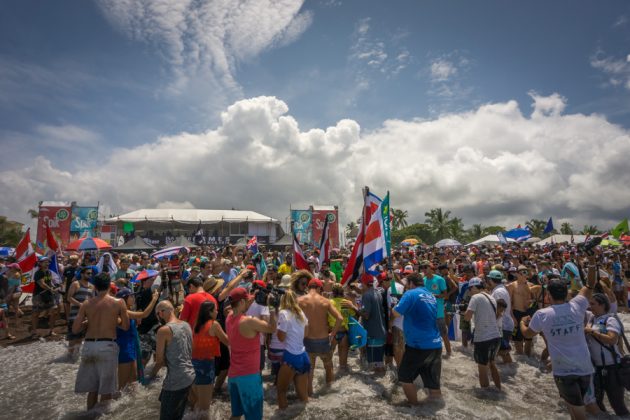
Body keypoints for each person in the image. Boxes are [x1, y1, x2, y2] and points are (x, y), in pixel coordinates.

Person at [520, 258, 598, 420]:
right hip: (585, 368)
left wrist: (522, 322)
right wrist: (591, 262)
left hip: (564, 371)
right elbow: (590, 284)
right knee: (575, 406)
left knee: (578, 412)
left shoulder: (542, 315)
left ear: (548, 295)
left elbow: (527, 334)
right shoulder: (577, 305)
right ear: (566, 292)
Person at [73, 273, 129, 411]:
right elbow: (125, 326)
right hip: (107, 346)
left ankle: (89, 415)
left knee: (92, 389)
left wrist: (88, 322)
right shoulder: (118, 302)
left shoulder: (86, 303)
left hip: (89, 345)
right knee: (106, 389)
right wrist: (115, 320)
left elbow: (75, 329)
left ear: (95, 286)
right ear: (110, 285)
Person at [226, 287, 277, 420]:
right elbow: (272, 328)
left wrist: (252, 297)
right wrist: (271, 307)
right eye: (247, 301)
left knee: (236, 415)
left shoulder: (229, 317)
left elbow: (234, 308)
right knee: (254, 417)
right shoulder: (248, 321)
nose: (250, 303)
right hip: (249, 376)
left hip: (233, 375)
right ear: (242, 302)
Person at [393, 273, 443, 404]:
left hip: (418, 345)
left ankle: (414, 408)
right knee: (433, 385)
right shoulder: (431, 295)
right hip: (435, 344)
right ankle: (433, 408)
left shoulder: (410, 293)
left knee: (404, 377)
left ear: (411, 283)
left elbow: (396, 312)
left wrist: (396, 302)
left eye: (407, 284)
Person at [149, 300, 195, 420]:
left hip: (176, 380)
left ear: (161, 313)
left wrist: (150, 376)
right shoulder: (187, 325)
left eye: (157, 315)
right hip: (189, 375)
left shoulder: (163, 330)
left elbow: (159, 361)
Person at [584, 293, 629, 416]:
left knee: (617, 405)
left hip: (612, 368)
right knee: (597, 404)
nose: (590, 306)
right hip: (597, 369)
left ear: (602, 305)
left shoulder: (611, 319)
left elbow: (612, 339)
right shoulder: (592, 318)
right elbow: (586, 330)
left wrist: (592, 332)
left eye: (593, 304)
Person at [298, 278, 342, 395]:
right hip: (323, 340)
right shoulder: (325, 301)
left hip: (307, 340)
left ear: (308, 287)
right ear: (318, 288)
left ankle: (309, 395)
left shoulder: (300, 300)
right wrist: (332, 334)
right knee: (328, 367)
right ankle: (329, 393)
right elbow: (340, 318)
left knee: (309, 370)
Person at [190, 300, 229, 418]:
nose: (217, 311)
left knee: (196, 405)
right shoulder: (214, 324)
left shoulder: (196, 323)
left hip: (193, 365)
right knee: (204, 408)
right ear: (210, 312)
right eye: (215, 309)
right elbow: (227, 341)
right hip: (206, 365)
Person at [116, 287, 159, 390]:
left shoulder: (129, 311)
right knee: (122, 386)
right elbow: (144, 314)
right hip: (124, 348)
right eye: (131, 296)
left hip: (131, 347)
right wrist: (154, 300)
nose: (133, 297)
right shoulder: (123, 312)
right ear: (124, 299)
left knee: (133, 381)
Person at [464, 277, 502, 389]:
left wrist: (463, 312)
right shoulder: (492, 297)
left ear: (475, 287)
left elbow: (467, 317)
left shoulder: (475, 297)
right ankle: (498, 389)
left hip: (483, 338)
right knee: (492, 364)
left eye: (470, 288)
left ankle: (486, 397)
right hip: (496, 336)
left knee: (482, 368)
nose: (469, 291)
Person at [276, 289, 310, 409]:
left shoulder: (283, 313)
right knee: (303, 397)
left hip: (290, 356)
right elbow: (306, 334)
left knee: (281, 392)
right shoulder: (300, 313)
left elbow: (281, 338)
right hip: (303, 356)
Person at [421, 261, 450, 356]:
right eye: (422, 267)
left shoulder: (439, 279)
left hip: (438, 312)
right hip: (426, 312)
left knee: (444, 335)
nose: (424, 269)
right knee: (428, 335)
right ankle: (431, 353)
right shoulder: (423, 280)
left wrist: (435, 296)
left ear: (431, 268)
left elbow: (446, 296)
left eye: (426, 267)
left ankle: (449, 353)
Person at [360, 274, 387, 372]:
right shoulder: (377, 292)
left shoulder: (366, 295)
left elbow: (366, 315)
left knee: (375, 367)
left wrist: (353, 307)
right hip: (381, 332)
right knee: (380, 363)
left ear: (364, 283)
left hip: (373, 334)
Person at [66, 267, 95, 356]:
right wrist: (80, 305)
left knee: (80, 339)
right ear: (82, 274)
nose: (90, 275)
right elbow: (69, 298)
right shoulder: (76, 284)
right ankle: (69, 356)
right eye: (88, 273)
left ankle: (76, 358)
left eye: (91, 273)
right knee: (72, 339)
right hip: (75, 315)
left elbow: (92, 300)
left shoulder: (92, 286)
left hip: (85, 316)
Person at [328, 283, 358, 370]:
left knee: (328, 362)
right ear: (342, 292)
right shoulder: (347, 303)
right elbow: (355, 315)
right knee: (343, 366)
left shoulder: (329, 303)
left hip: (332, 334)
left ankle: (330, 381)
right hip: (344, 334)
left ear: (333, 292)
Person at [508, 265, 537, 356]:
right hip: (517, 312)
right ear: (517, 274)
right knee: (517, 339)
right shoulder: (512, 285)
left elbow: (535, 301)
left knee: (529, 338)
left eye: (526, 272)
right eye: (522, 272)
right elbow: (509, 303)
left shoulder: (530, 285)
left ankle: (528, 359)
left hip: (528, 313)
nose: (524, 274)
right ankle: (520, 357)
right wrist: (512, 317)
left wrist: (532, 301)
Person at [488, 270, 514, 363]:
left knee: (503, 351)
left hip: (503, 325)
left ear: (491, 280)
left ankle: (507, 372)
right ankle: (507, 371)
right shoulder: (501, 289)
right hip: (505, 324)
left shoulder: (498, 291)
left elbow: (500, 308)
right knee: (502, 351)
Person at [31, 257, 60, 338]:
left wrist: (55, 287)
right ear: (40, 263)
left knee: (53, 312)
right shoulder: (38, 273)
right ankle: (34, 332)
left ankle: (51, 330)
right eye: (45, 262)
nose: (47, 263)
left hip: (49, 295)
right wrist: (51, 289)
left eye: (48, 262)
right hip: (38, 296)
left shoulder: (49, 272)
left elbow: (49, 282)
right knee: (36, 314)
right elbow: (42, 284)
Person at [247, 280, 271, 372]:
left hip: (244, 339)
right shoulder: (262, 303)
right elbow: (266, 323)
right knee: (257, 369)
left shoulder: (244, 300)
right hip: (258, 341)